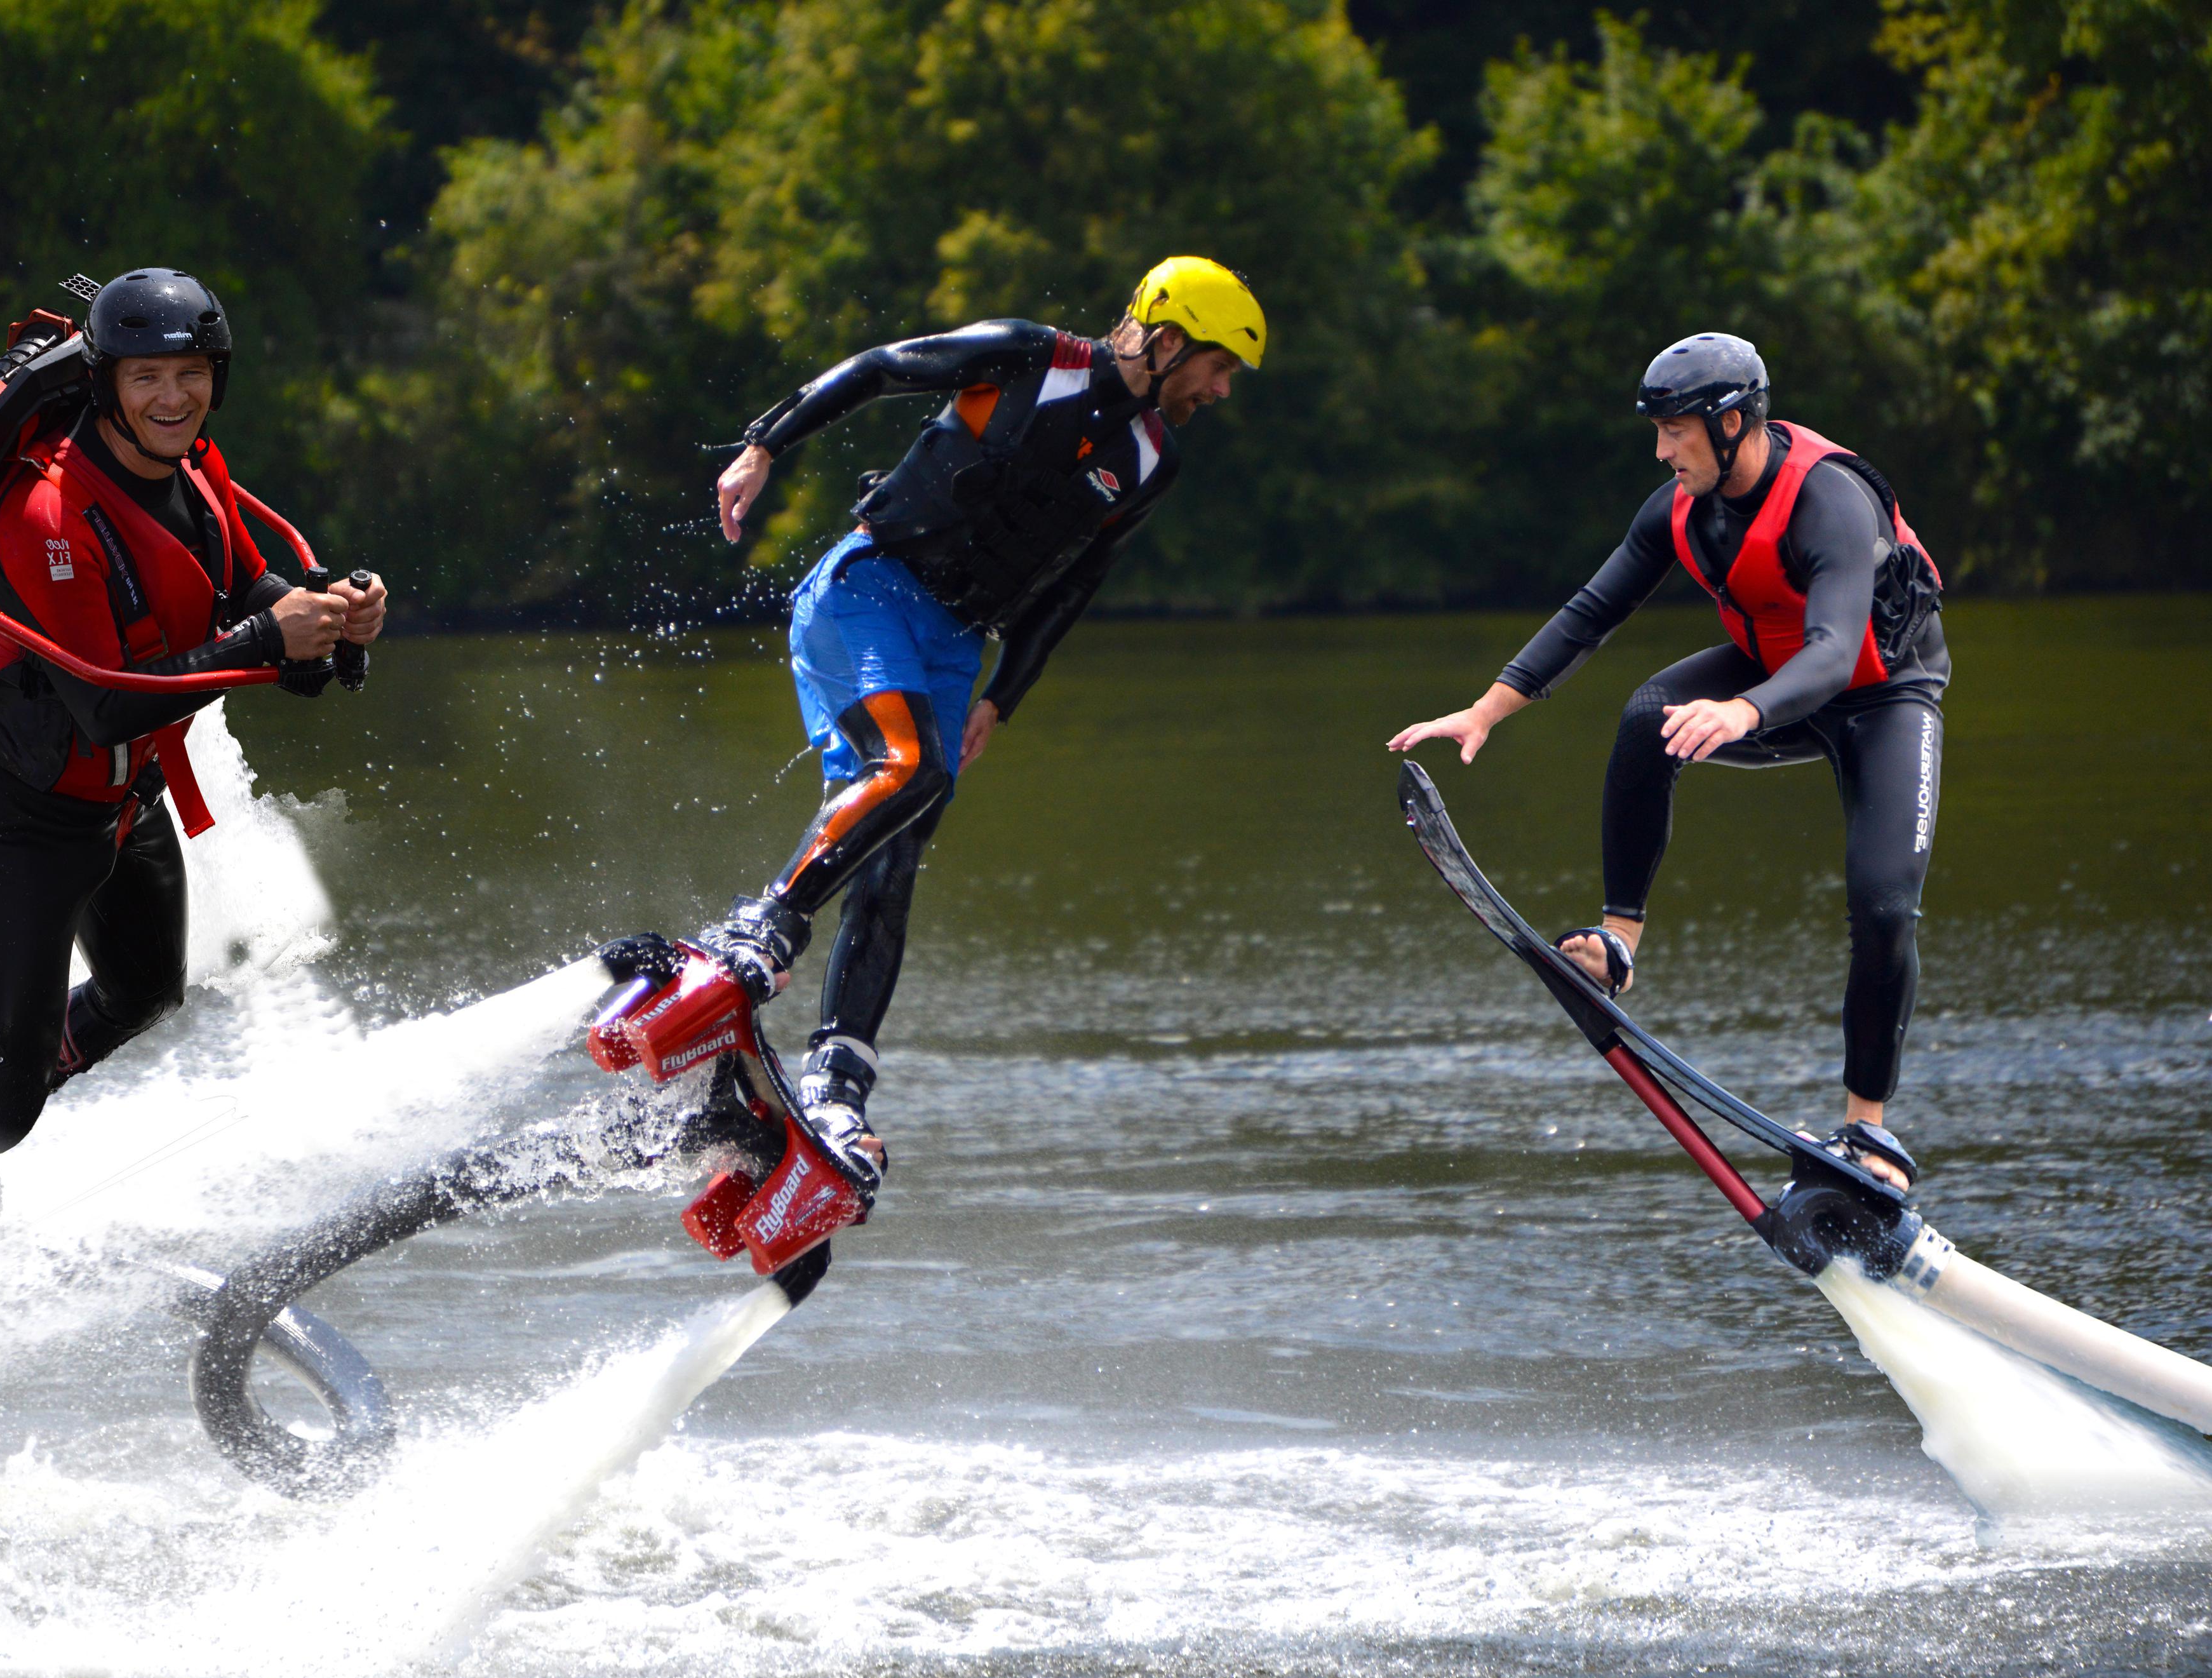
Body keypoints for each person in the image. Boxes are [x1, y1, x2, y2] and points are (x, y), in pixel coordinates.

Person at [692, 257, 1264, 1185]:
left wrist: (1003, 695)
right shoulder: (1029, 358)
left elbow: (1073, 586)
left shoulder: (1153, 459)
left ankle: (837, 1080)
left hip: (959, 647)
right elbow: (879, 368)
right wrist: (765, 443)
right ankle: (760, 928)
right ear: (1166, 342)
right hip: (871, 589)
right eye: (1218, 365)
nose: (1222, 389)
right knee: (907, 772)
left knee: (899, 844)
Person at [1388, 333, 1947, 1193]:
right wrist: (1488, 708)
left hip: (1883, 694)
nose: (1661, 450)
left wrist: (1742, 709)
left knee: (1882, 907)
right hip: (1769, 680)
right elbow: (1590, 611)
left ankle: (1868, 1138)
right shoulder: (1679, 509)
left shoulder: (1829, 502)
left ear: (1731, 423)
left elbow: (1837, 652)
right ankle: (1616, 945)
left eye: (1675, 431)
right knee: (1650, 715)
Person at [0, 268, 387, 1194]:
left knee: (147, 989)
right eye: (147, 377)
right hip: (14, 818)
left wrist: (326, 616)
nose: (174, 396)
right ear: (107, 381)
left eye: (192, 372)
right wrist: (266, 640)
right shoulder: (51, 516)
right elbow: (105, 703)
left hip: (117, 796)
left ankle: (18, 1071)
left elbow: (245, 589)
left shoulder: (192, 472)